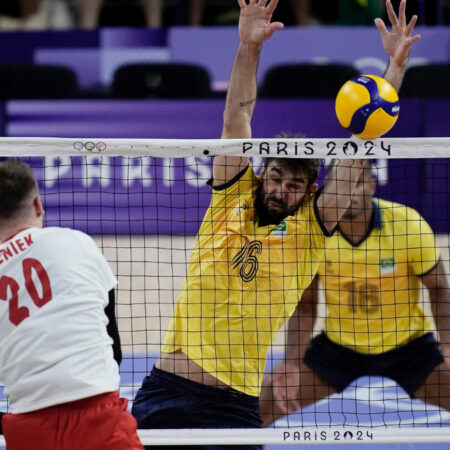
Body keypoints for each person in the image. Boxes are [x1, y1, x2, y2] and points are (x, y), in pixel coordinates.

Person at [131, 1, 366, 448]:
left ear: (309, 192)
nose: (280, 190)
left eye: (294, 185)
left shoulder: (310, 233)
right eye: (275, 177)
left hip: (235, 404)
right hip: (168, 391)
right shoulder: (230, 198)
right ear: (261, 173)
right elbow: (236, 118)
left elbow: (355, 157)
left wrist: (392, 74)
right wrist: (247, 45)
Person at [259, 2, 449, 420]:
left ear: (371, 184)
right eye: (347, 181)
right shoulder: (314, 229)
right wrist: (291, 361)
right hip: (337, 349)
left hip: (410, 348)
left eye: (361, 180)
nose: (352, 189)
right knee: (267, 401)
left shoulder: (407, 224)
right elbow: (306, 303)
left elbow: (439, 288)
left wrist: (449, 350)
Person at [0, 159, 144, 450]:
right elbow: (113, 346)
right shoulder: (76, 242)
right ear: (38, 205)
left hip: (28, 424)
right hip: (98, 414)